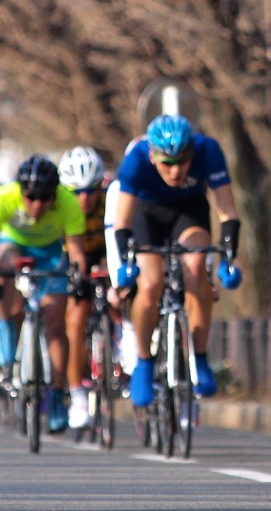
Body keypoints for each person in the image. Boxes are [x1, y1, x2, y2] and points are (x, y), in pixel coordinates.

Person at [113, 114, 241, 408]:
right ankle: (144, 362)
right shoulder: (135, 160)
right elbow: (122, 222)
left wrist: (227, 260)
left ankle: (200, 358)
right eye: (166, 163)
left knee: (196, 269)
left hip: (189, 213)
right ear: (152, 156)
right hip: (148, 215)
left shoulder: (208, 151)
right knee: (151, 285)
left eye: (182, 161)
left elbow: (228, 213)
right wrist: (126, 263)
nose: (175, 171)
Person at [0, 154, 87, 433]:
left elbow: (76, 251)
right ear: (20, 191)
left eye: (45, 197)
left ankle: (57, 395)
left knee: (55, 321)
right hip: (14, 245)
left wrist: (79, 277)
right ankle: (6, 335)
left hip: (50, 253)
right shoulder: (6, 197)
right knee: (4, 265)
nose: (38, 204)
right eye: (31, 197)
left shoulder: (68, 202)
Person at [58, 145, 107, 429]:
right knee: (75, 318)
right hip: (72, 258)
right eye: (77, 192)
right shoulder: (60, 204)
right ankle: (76, 391)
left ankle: (124, 339)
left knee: (123, 290)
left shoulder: (110, 198)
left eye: (92, 190)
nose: (85, 198)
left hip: (103, 251)